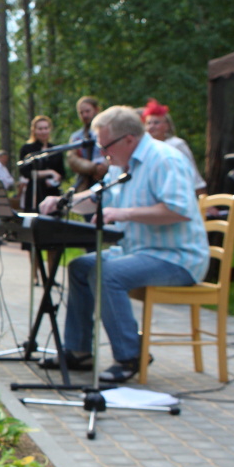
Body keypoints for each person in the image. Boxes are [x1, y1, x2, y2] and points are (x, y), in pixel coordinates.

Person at [37, 105, 210, 384]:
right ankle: (79, 351)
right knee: (80, 267)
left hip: (177, 258)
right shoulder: (120, 164)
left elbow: (179, 210)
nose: (102, 153)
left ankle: (130, 356)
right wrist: (63, 202)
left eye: (105, 146)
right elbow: (96, 197)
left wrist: (123, 213)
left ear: (129, 139)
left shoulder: (166, 159)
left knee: (107, 274)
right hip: (137, 251)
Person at [143, 99, 206, 192]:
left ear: (167, 126)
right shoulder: (144, 148)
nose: (151, 126)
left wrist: (199, 191)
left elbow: (191, 169)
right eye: (148, 123)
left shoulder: (176, 144)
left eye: (156, 123)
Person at [17, 115, 64, 212]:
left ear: (50, 129)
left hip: (52, 194)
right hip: (34, 195)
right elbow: (25, 172)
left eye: (46, 128)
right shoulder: (27, 149)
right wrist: (50, 172)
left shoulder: (55, 150)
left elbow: (62, 173)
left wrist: (56, 179)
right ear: (34, 130)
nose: (43, 131)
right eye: (40, 129)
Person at [65, 96, 108, 192]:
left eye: (87, 111)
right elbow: (72, 159)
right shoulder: (76, 137)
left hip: (108, 179)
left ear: (96, 110)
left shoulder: (108, 131)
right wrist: (93, 167)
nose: (84, 115)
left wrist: (105, 165)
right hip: (85, 183)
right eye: (81, 113)